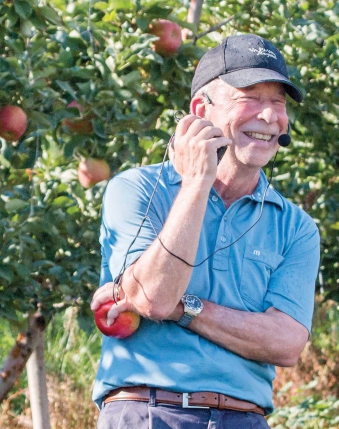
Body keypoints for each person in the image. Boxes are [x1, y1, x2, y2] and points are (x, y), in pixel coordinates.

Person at [90, 34, 321, 429]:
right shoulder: (138, 191)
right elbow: (155, 297)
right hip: (146, 410)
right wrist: (196, 182)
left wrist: (184, 306)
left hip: (243, 419)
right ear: (201, 110)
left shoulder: (295, 226)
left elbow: (286, 343)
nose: (269, 116)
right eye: (250, 96)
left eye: (278, 103)